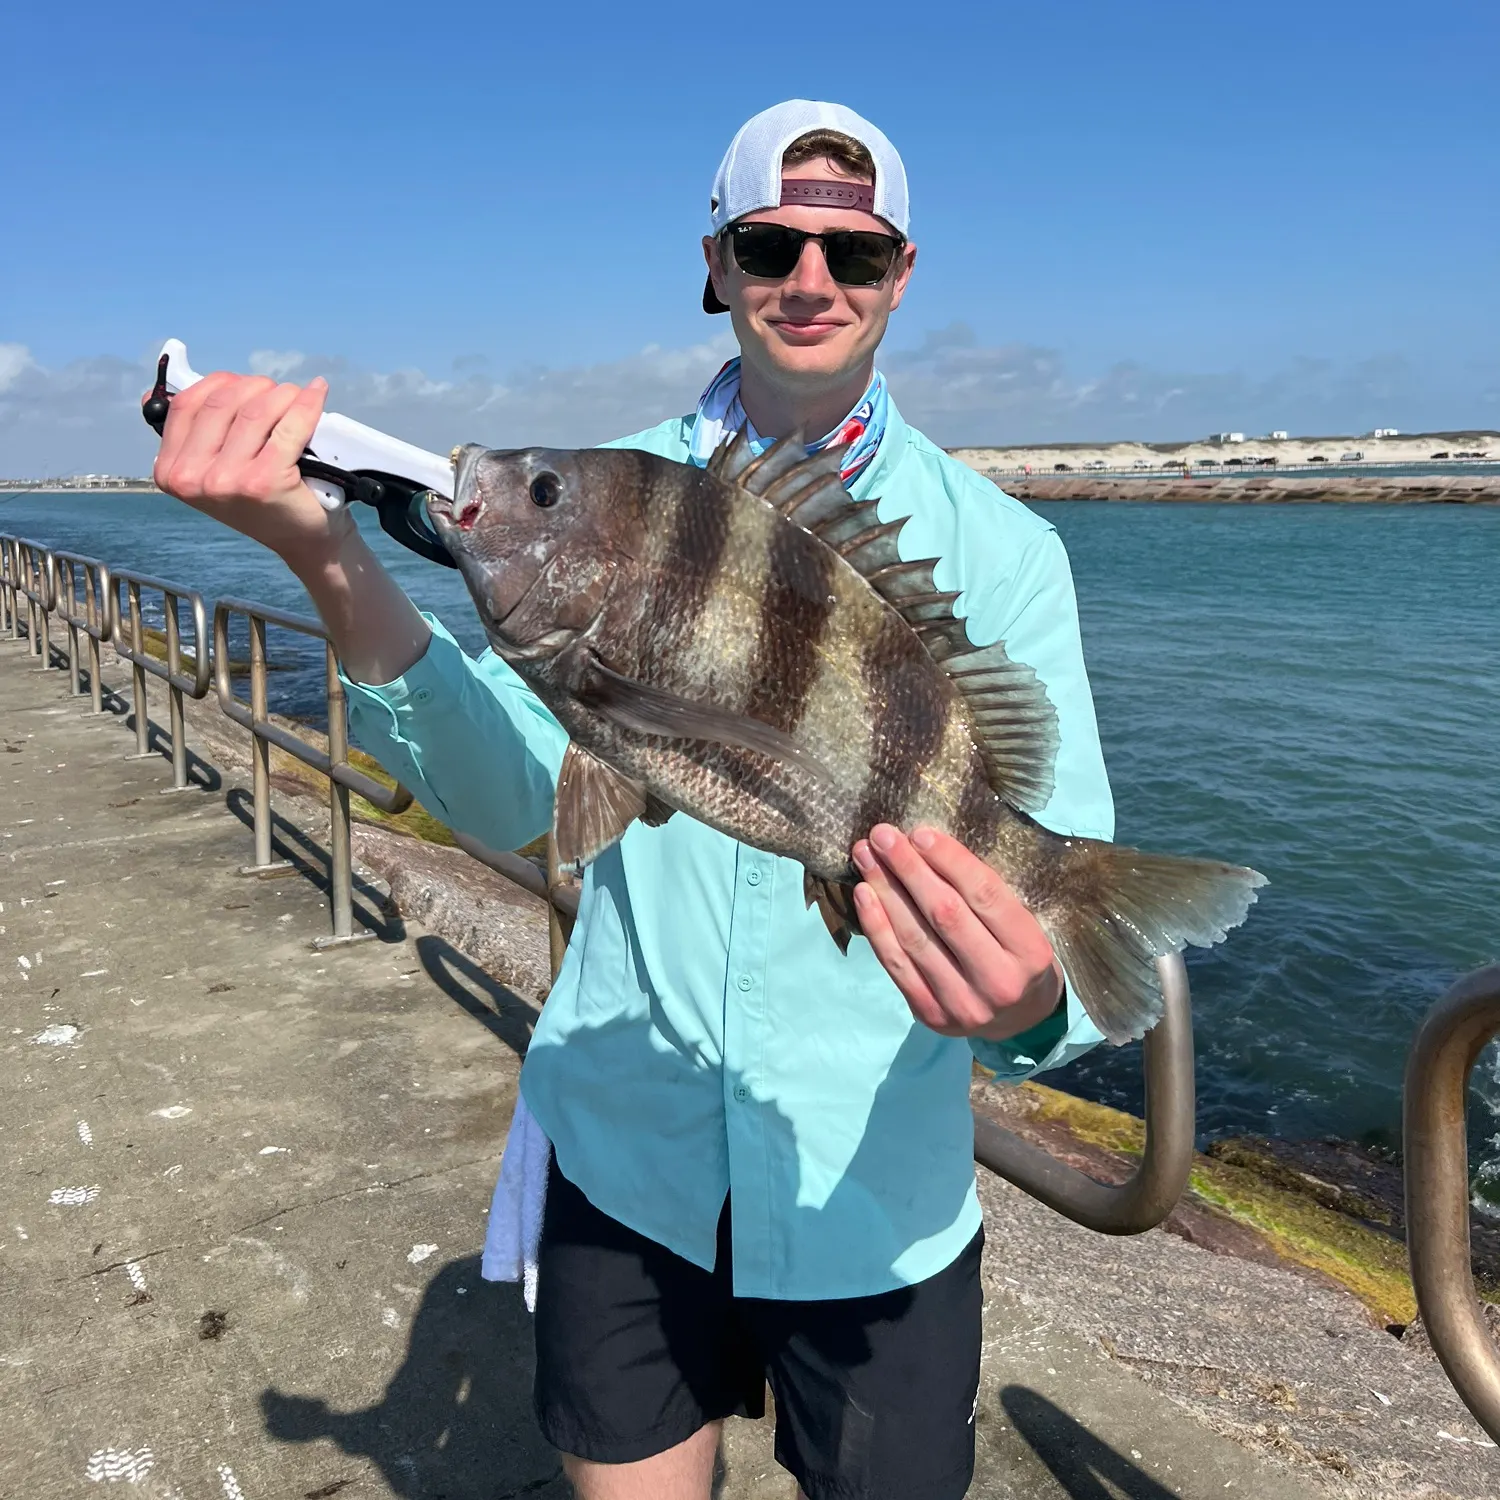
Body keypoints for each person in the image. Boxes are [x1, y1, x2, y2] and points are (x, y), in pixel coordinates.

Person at [153, 99, 1113, 1500]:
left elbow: (1063, 939)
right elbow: (525, 798)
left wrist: (1029, 1008)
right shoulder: (598, 499)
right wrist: (330, 559)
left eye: (854, 257)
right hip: (628, 1165)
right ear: (717, 262)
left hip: (875, 1200)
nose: (810, 280)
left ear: (903, 277)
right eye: (773, 243)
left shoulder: (1007, 556)